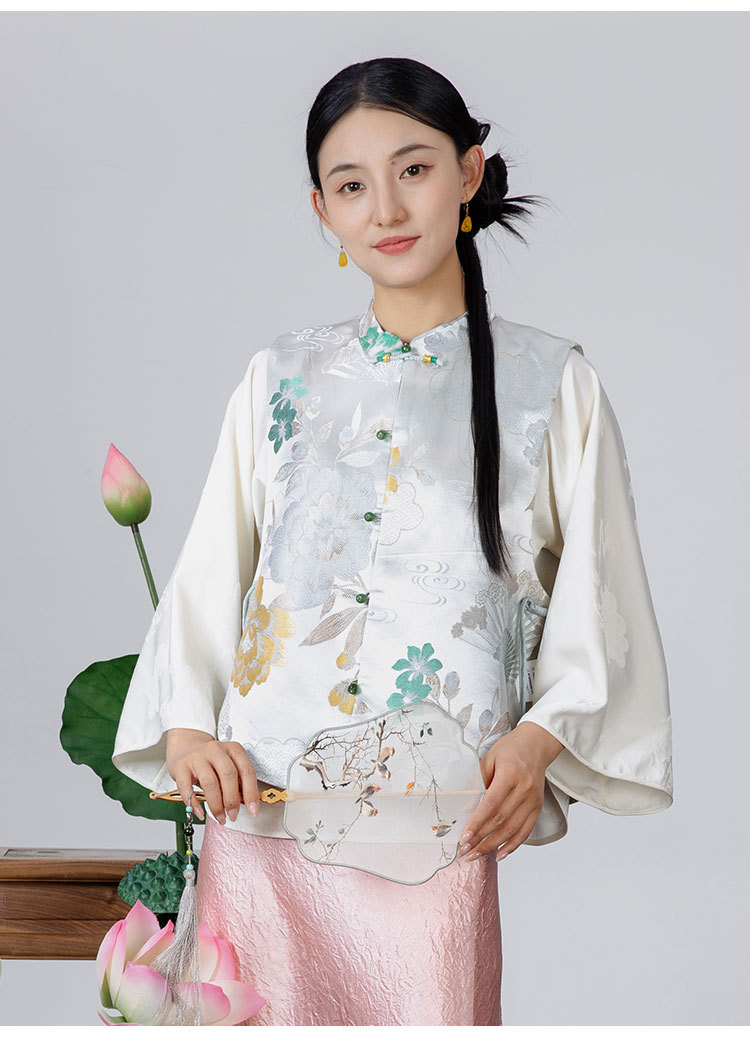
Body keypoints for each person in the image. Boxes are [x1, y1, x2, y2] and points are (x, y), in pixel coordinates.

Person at [111, 57, 673, 1026]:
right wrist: (191, 729)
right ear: (322, 212)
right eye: (351, 186)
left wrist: (536, 741)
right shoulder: (278, 379)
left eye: (413, 169)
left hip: (435, 829)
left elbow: (602, 600)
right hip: (262, 820)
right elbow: (210, 577)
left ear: (468, 172)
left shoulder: (550, 386)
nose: (386, 209)